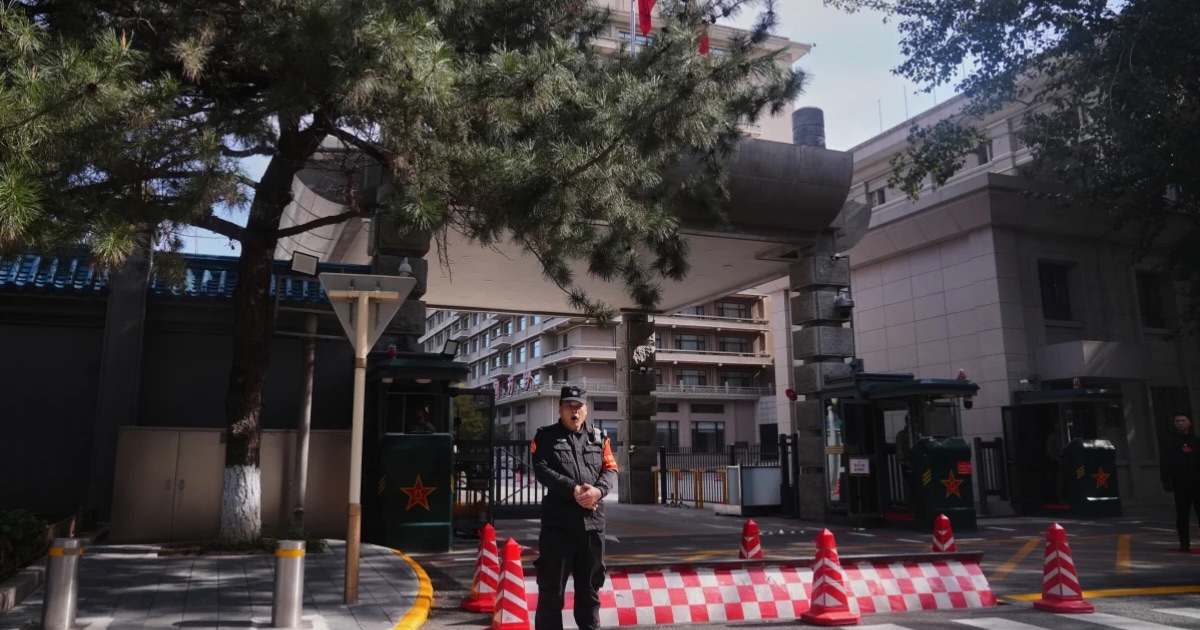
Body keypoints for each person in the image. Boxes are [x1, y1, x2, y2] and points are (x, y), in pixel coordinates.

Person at [530, 386, 618, 630]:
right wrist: (574, 490)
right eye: (569, 406)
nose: (574, 411)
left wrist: (598, 492)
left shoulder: (600, 438)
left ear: (586, 409)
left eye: (579, 406)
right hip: (558, 528)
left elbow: (610, 469)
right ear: (560, 409)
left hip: (592, 527)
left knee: (589, 592)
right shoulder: (545, 436)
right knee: (551, 593)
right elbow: (541, 469)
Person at [1160, 412, 1200, 551]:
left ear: (1189, 422)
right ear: (1174, 424)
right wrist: (1165, 479)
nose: (1180, 423)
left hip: (1197, 484)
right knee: (1182, 515)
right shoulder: (1171, 443)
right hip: (1180, 485)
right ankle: (1184, 543)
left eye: (1183, 420)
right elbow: (1165, 462)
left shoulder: (1196, 441)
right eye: (1177, 421)